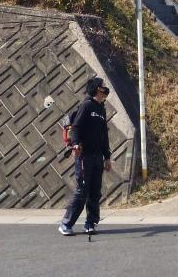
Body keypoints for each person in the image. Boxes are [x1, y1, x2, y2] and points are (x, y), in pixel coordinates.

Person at [59, 77, 113, 236]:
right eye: (103, 86)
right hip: (84, 156)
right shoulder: (87, 105)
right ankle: (66, 224)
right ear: (97, 89)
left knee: (95, 192)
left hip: (97, 157)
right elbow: (76, 127)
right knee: (82, 190)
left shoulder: (101, 109)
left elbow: (104, 136)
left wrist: (107, 157)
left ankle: (90, 223)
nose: (105, 89)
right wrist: (75, 143)